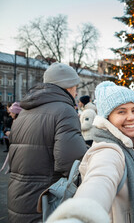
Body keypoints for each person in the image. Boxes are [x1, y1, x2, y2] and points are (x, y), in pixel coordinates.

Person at [47, 81, 134, 222]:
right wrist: (78, 216)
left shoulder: (129, 145)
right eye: (121, 111)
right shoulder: (108, 150)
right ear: (107, 118)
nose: (131, 117)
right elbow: (99, 181)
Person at [7, 63, 88, 223]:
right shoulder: (65, 111)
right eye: (74, 86)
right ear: (66, 86)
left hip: (17, 197)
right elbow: (72, 161)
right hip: (44, 201)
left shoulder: (24, 112)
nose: (76, 91)